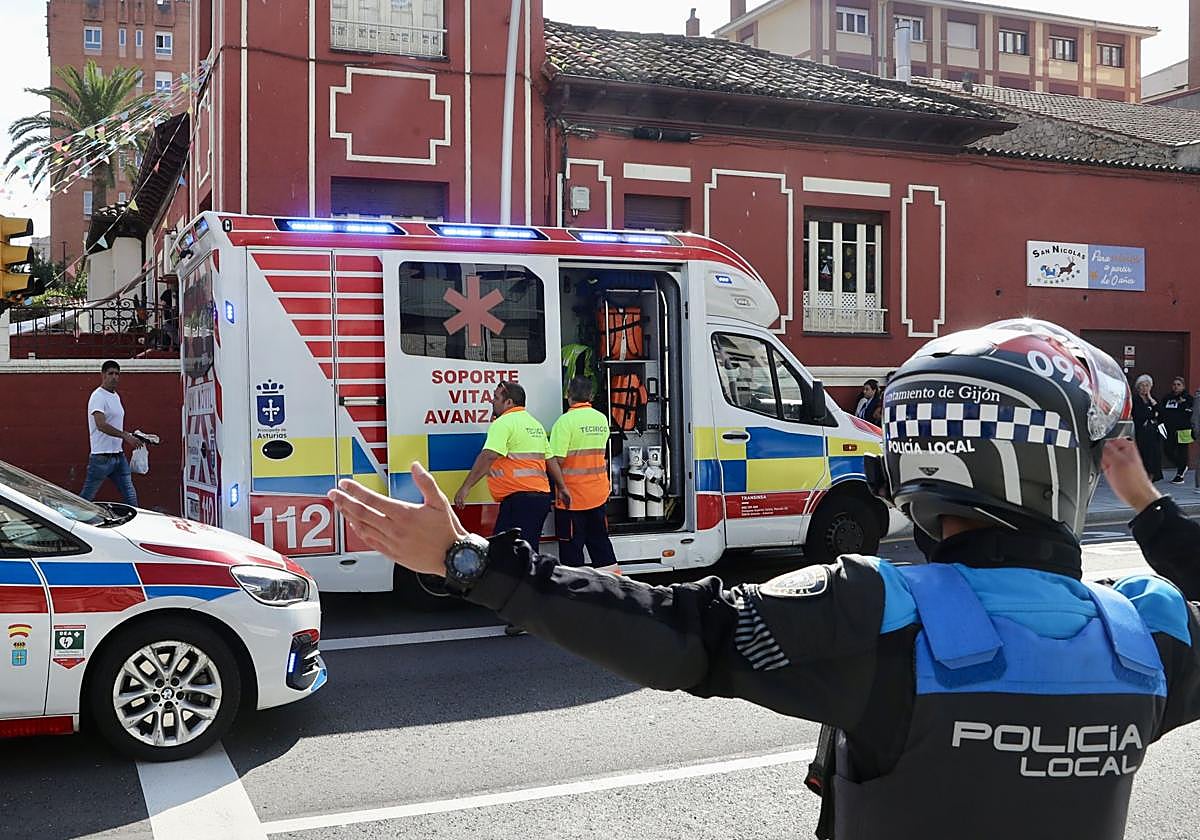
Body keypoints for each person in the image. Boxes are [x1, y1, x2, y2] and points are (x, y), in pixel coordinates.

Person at [331, 319, 1200, 840]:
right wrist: (1152, 509)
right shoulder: (1148, 637)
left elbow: (679, 631)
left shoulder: (880, 611)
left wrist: (471, 562)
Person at [452, 380, 569, 552]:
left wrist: (465, 487)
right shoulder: (534, 424)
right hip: (539, 499)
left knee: (505, 552)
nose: (492, 401)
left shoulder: (503, 423)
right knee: (525, 552)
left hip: (520, 500)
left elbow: (488, 456)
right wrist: (562, 487)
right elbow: (550, 459)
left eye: (496, 397)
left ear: (508, 402)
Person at [550, 377, 618, 569]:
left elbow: (556, 461)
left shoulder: (564, 422)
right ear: (591, 396)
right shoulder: (601, 419)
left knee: (572, 552)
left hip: (572, 498)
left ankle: (576, 587)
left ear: (568, 395)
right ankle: (613, 583)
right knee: (601, 546)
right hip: (597, 495)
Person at [81, 360, 145, 506]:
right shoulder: (98, 396)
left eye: (117, 374)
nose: (114, 377)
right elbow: (101, 425)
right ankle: (70, 519)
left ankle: (136, 520)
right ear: (103, 375)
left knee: (130, 495)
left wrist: (132, 435)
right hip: (101, 457)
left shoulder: (116, 396)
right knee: (87, 497)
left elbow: (115, 423)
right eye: (111, 373)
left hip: (118, 454)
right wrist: (125, 435)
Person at [1159, 376, 1193, 485]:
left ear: (1183, 386)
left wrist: (1183, 404)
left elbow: (1190, 413)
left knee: (1182, 451)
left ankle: (1180, 475)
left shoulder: (1188, 398)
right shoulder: (1167, 398)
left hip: (1183, 430)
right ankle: (1182, 466)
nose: (1176, 387)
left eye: (1179, 385)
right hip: (1169, 429)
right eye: (1174, 384)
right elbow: (1162, 411)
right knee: (1168, 450)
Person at [1132, 373, 1164, 482]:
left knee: (1155, 454)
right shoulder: (1135, 399)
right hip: (1141, 432)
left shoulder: (1152, 399)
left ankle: (1152, 476)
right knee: (1144, 455)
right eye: (1142, 385)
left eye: (1147, 385)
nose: (1144, 388)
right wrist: (1152, 414)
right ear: (1138, 387)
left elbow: (1161, 412)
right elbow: (1140, 415)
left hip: (1153, 432)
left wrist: (1151, 399)